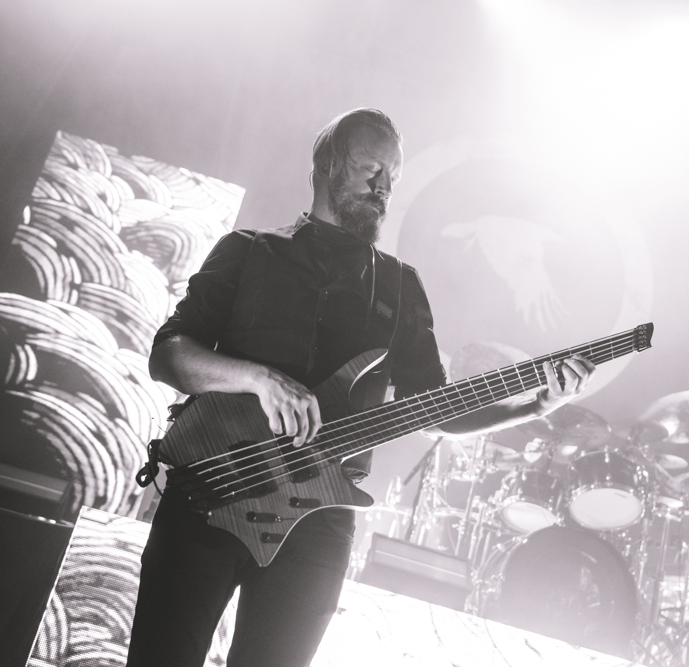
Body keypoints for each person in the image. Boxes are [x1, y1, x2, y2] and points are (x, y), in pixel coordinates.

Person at [125, 108, 595, 667]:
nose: (384, 187)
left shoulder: (400, 286)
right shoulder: (248, 250)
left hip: (317, 519)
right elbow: (168, 354)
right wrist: (257, 379)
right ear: (328, 165)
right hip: (212, 488)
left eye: (392, 176)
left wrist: (537, 405)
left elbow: (434, 410)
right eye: (371, 168)